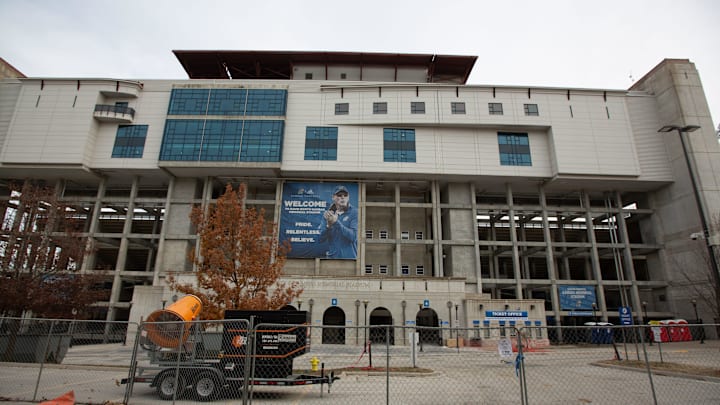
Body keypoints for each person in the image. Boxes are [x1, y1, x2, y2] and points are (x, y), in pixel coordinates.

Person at [319, 185, 358, 258]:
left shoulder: (355, 212)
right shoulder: (328, 214)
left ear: (348, 197)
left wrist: (336, 222)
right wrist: (328, 226)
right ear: (333, 197)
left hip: (350, 260)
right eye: (339, 195)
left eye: (345, 195)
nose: (343, 197)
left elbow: (353, 237)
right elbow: (320, 239)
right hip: (332, 260)